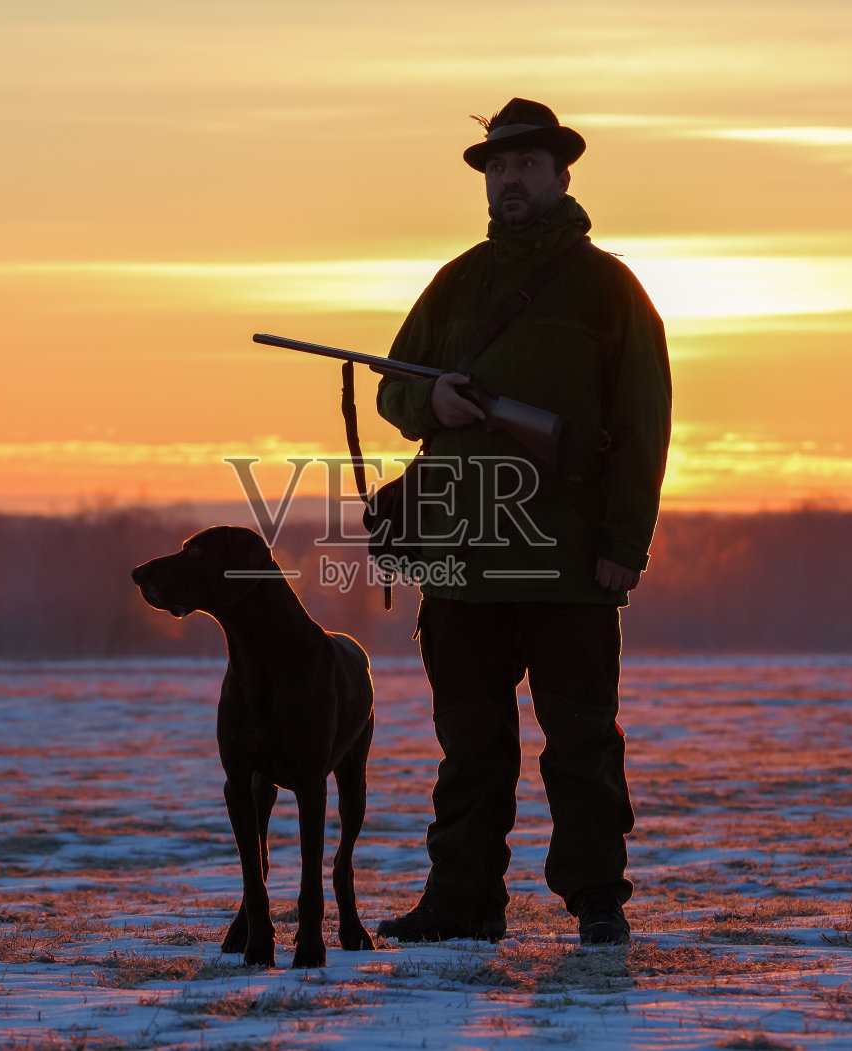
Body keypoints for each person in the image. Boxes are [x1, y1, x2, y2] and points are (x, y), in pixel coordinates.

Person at [373, 98, 672, 946]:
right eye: (498, 167)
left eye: (527, 165)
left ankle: (598, 900)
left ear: (561, 176)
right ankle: (460, 902)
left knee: (581, 741)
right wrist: (429, 401)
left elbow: (642, 424)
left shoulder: (608, 288)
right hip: (461, 559)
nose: (510, 179)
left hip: (568, 562)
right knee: (469, 746)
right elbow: (393, 387)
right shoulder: (455, 282)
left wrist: (624, 543)